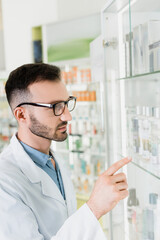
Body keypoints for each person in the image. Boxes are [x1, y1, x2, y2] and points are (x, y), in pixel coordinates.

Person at [0, 63, 131, 240]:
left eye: (66, 103)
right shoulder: (4, 181)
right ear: (21, 115)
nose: (67, 116)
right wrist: (94, 208)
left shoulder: (54, 159)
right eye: (54, 107)